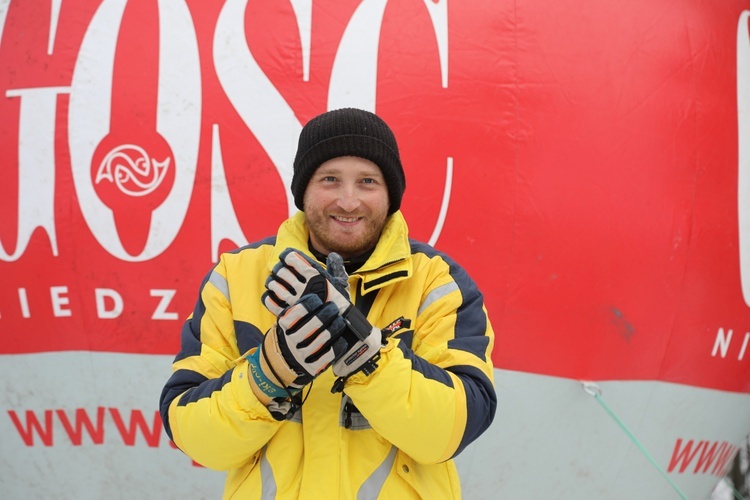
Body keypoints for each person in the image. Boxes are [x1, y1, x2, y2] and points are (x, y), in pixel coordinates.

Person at [160, 108, 497, 499]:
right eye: (330, 180)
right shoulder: (236, 277)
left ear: (391, 195)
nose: (348, 201)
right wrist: (268, 374)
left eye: (367, 181)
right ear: (303, 190)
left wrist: (364, 353)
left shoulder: (437, 282)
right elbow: (195, 437)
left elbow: (450, 431)